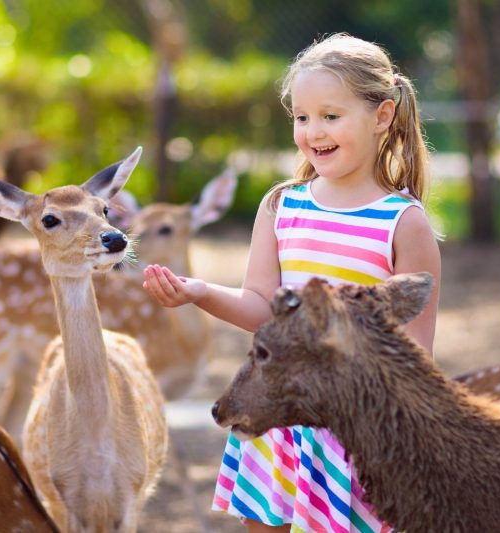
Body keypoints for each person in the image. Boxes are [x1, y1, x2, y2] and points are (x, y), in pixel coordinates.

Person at [142, 33, 441, 532]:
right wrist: (200, 292)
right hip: (278, 422)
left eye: (330, 115)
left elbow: (415, 355)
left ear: (382, 116)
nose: (311, 131)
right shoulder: (283, 206)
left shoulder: (403, 223)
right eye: (301, 117)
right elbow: (263, 307)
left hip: (356, 434)